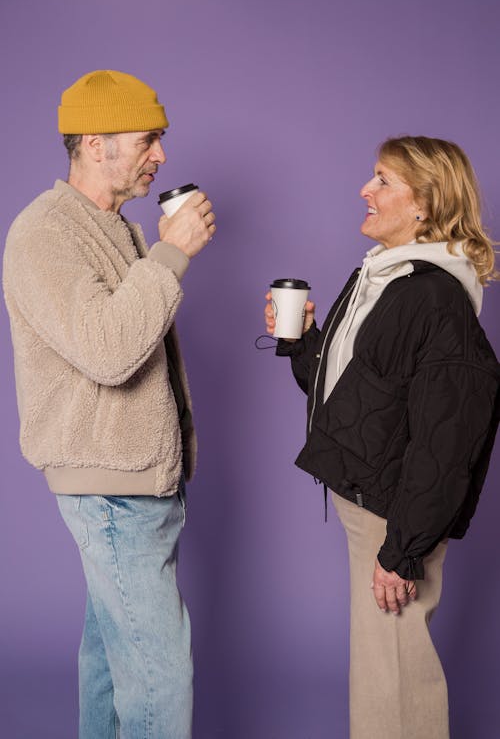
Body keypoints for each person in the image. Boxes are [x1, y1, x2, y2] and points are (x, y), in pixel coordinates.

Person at [3, 70, 216, 739]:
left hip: (137, 482)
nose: (161, 156)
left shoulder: (113, 228)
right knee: (157, 676)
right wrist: (172, 253)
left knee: (109, 665)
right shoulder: (43, 233)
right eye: (149, 140)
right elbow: (108, 350)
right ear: (96, 144)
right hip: (113, 491)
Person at [264, 136, 500, 739]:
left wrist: (402, 550)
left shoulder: (433, 296)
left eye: (383, 181)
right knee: (380, 666)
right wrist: (301, 341)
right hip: (370, 503)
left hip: (395, 515)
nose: (365, 191)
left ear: (423, 204)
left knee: (396, 668)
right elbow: (359, 398)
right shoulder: (384, 279)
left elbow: (448, 441)